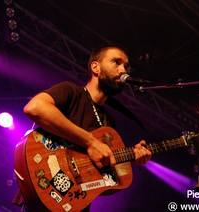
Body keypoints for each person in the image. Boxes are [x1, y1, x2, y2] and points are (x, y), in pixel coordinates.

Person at [16, 44, 152, 211]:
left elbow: (102, 181)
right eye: (116, 62)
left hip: (75, 204)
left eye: (126, 66)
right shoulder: (71, 92)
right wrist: (90, 142)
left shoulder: (109, 122)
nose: (123, 70)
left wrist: (132, 156)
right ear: (95, 67)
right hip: (43, 194)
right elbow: (35, 108)